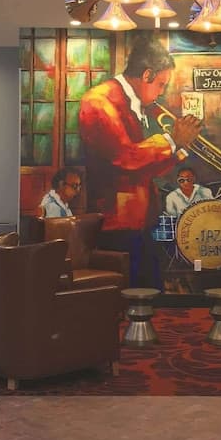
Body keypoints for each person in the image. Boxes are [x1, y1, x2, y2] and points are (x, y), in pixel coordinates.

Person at [79, 37, 201, 286]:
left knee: (150, 289)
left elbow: (145, 166)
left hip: (140, 218)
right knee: (133, 290)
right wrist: (172, 141)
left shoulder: (134, 103)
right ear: (147, 75)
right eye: (161, 84)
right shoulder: (99, 101)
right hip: (116, 221)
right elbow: (126, 157)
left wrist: (178, 147)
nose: (161, 92)